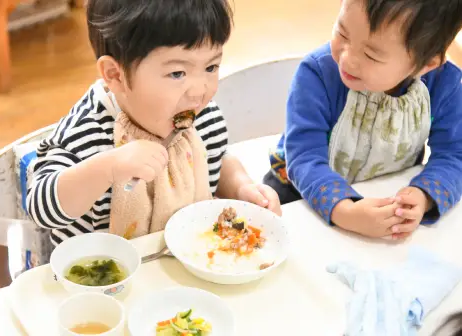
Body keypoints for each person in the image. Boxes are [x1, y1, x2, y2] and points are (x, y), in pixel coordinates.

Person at [26, 0, 281, 246]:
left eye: (211, 67)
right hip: (102, 280)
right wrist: (108, 168)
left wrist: (241, 187)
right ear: (115, 75)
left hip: (191, 260)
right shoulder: (86, 131)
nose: (200, 91)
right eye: (177, 73)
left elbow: (216, 159)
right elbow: (40, 207)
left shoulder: (201, 116)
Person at [265, 0, 462, 239]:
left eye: (371, 55)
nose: (347, 59)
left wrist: (424, 196)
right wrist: (345, 210)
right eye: (342, 33)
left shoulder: (444, 85)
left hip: (386, 196)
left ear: (426, 64)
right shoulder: (317, 74)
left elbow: (454, 155)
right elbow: (304, 158)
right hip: (298, 195)